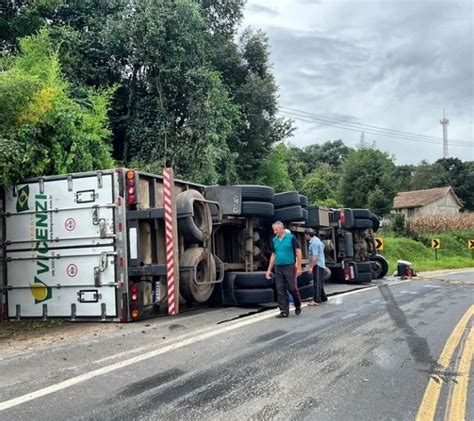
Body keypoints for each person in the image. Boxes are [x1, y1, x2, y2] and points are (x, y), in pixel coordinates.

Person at [265, 221, 302, 318]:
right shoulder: (274, 240)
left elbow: (298, 251)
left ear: (282, 228)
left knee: (292, 288)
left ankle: (297, 304)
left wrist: (298, 267)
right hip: (278, 267)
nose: (275, 232)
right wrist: (269, 270)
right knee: (280, 289)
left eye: (276, 229)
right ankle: (284, 310)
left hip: (289, 266)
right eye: (274, 230)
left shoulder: (291, 238)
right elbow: (273, 255)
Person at [304, 228, 328, 305]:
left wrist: (311, 266)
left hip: (317, 264)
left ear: (308, 235)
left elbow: (315, 257)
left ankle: (317, 299)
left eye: (305, 235)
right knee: (319, 281)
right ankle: (323, 297)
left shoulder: (314, 243)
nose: (305, 236)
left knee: (316, 282)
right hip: (320, 263)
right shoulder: (317, 240)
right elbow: (323, 245)